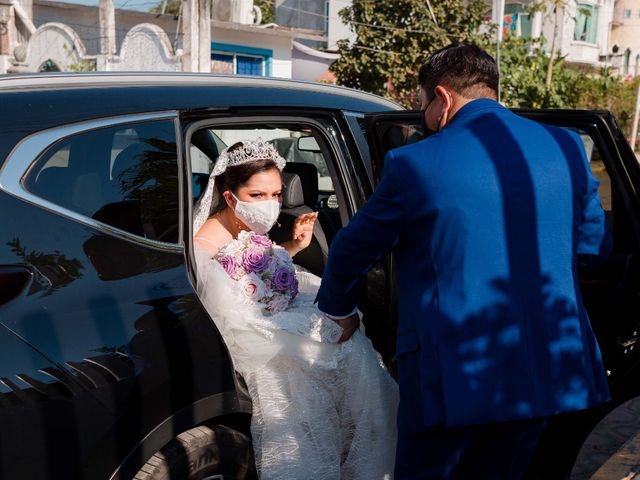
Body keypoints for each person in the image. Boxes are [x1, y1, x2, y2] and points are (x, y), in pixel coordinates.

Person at [316, 44, 612, 479]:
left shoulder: (414, 163)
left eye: (421, 105)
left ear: (443, 96)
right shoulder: (567, 145)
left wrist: (340, 310)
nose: (424, 116)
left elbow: (351, 248)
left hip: (453, 371)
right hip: (547, 363)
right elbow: (594, 247)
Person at [192, 139, 398, 480]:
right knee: (333, 351)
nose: (270, 206)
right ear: (229, 197)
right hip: (254, 331)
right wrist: (319, 331)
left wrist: (295, 246)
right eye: (257, 196)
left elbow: (261, 268)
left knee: (350, 335)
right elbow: (235, 318)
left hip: (274, 310)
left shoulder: (248, 227)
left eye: (275, 195)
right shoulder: (205, 244)